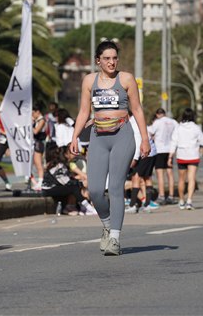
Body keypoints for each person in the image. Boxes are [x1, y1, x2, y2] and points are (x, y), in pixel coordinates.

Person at [70, 40, 149, 256]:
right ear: (98, 61)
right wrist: (74, 137)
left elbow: (137, 110)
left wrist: (145, 139)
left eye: (114, 58)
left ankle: (114, 238)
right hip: (98, 136)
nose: (111, 62)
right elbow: (84, 112)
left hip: (122, 135)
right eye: (106, 59)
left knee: (115, 187)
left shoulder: (126, 79)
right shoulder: (89, 81)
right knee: (95, 190)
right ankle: (107, 224)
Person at [168, 108, 203, 210]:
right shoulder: (196, 128)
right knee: (191, 179)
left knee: (181, 179)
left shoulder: (178, 128)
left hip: (181, 155)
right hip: (193, 155)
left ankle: (181, 201)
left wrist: (170, 156)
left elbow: (173, 142)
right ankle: (189, 201)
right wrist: (196, 143)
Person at [126, 114, 159, 214]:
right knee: (146, 177)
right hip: (151, 152)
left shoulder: (133, 123)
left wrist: (134, 159)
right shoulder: (134, 121)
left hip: (144, 153)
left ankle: (133, 205)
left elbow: (137, 141)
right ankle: (147, 204)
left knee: (136, 177)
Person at [150, 108, 178, 205]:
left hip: (160, 149)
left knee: (160, 174)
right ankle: (171, 196)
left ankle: (161, 196)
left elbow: (151, 132)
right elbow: (177, 132)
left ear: (157, 114)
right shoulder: (173, 122)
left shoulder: (157, 122)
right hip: (170, 150)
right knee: (170, 173)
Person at [31, 104, 47, 190]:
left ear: (38, 112)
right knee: (34, 163)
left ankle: (41, 182)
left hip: (39, 143)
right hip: (35, 142)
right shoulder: (36, 120)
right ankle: (36, 182)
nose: (32, 115)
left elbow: (36, 131)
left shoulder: (42, 120)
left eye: (33, 113)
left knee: (38, 163)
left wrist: (30, 124)